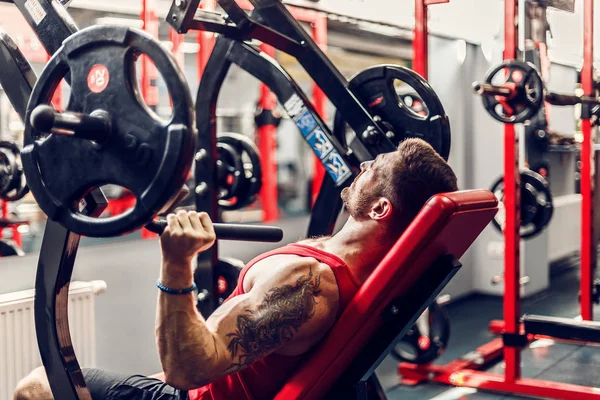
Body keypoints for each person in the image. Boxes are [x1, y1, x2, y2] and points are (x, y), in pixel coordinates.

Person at [14, 138, 458, 400]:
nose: (362, 166)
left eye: (374, 169)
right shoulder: (370, 265)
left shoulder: (308, 284)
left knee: (36, 387)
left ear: (380, 208)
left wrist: (176, 263)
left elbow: (185, 373)